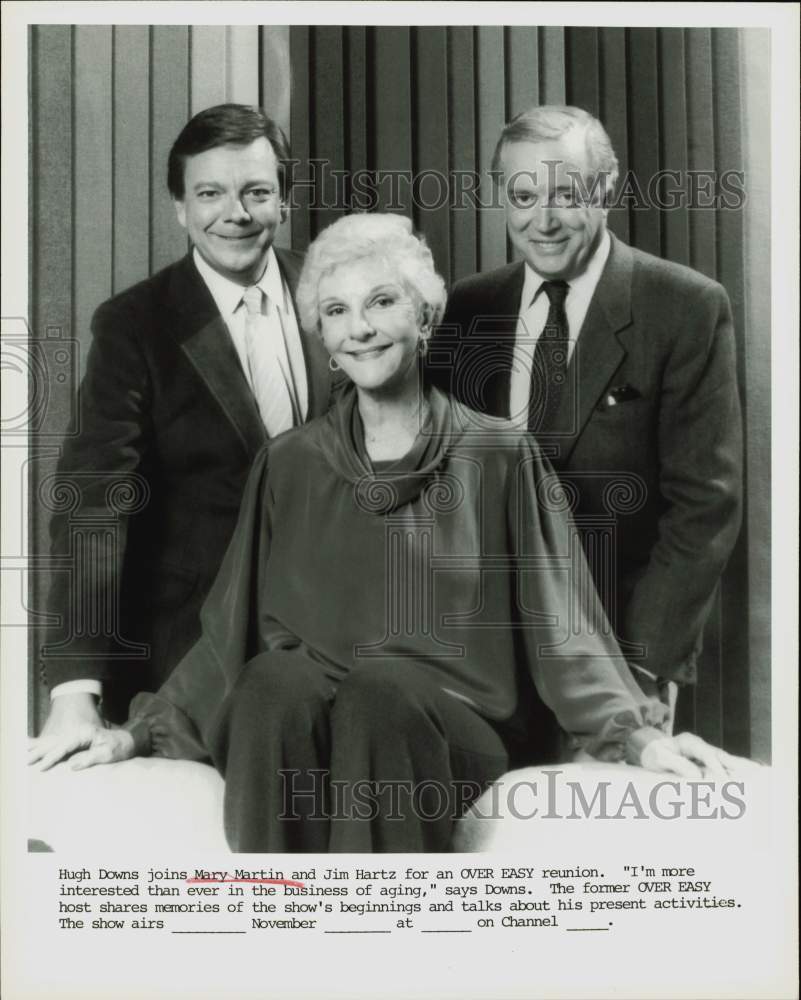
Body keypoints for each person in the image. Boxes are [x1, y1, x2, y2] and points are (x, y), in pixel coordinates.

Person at [55, 213, 747, 854]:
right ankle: (269, 943)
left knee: (380, 693)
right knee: (270, 682)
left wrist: (634, 736)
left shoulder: (500, 455)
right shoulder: (288, 464)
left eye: (381, 302)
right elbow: (226, 636)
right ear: (322, 339)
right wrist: (136, 733)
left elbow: (560, 620)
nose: (359, 328)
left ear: (424, 316)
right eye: (335, 312)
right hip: (304, 713)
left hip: (451, 723)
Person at [29, 104, 338, 771]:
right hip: (188, 662)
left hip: (333, 643)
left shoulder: (335, 293)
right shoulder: (135, 324)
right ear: (180, 207)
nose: (236, 213)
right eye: (210, 193)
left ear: (284, 200)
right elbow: (93, 503)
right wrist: (76, 688)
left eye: (257, 192)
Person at [427, 105, 742, 718]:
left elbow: (705, 506)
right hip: (482, 661)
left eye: (565, 193)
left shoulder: (684, 307)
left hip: (617, 663)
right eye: (522, 195)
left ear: (608, 188)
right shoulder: (470, 307)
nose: (542, 219)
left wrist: (642, 667)